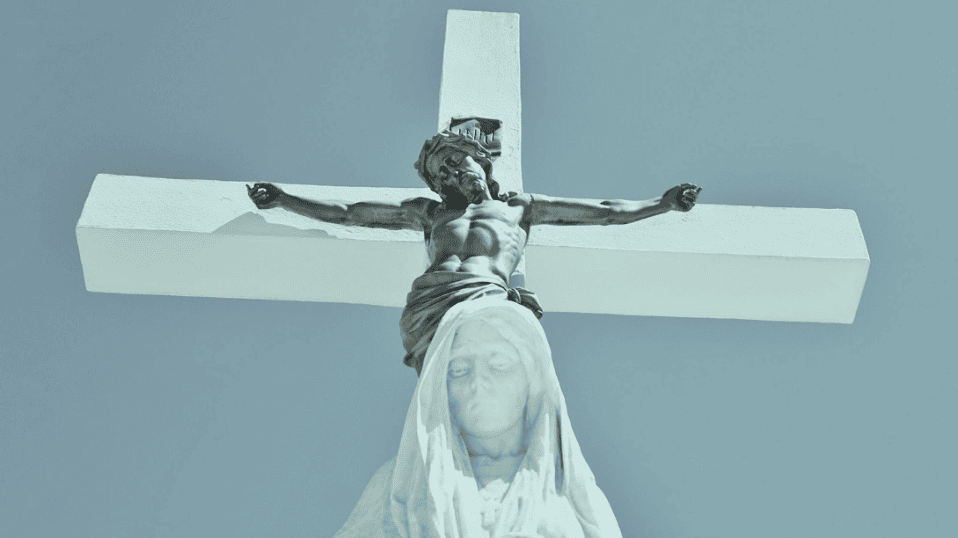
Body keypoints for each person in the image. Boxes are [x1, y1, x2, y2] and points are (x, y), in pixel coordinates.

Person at [247, 119, 700, 374]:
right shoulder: (430, 213)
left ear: (480, 158)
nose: (450, 174)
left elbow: (605, 212)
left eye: (454, 161)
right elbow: (349, 213)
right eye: (441, 173)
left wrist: (662, 204)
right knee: (444, 390)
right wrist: (285, 200)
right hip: (430, 304)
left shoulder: (520, 208)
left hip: (488, 295)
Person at [332, 297, 624, 537]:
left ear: (532, 380)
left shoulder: (576, 499)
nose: (478, 383)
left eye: (498, 364)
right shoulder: (400, 487)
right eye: (459, 369)